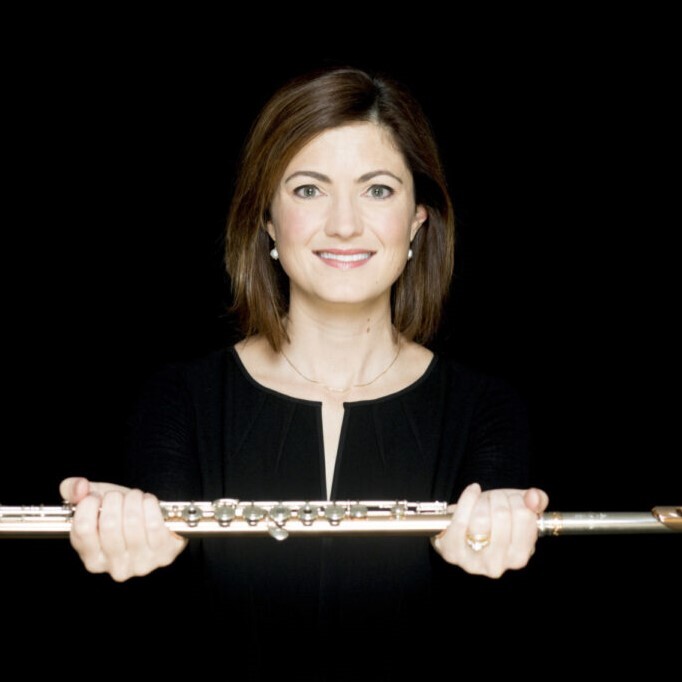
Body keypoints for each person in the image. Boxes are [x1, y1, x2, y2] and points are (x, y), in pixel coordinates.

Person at [60, 66, 548, 677]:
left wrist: (498, 538)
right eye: (309, 190)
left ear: (418, 220)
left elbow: (494, 634)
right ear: (267, 218)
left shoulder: (485, 410)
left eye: (378, 190)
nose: (344, 224)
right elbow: (155, 625)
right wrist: (120, 532)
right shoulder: (178, 399)